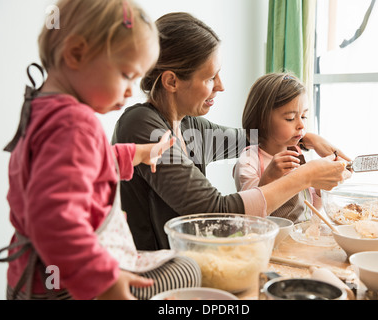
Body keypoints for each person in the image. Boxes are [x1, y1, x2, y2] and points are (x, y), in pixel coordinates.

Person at [0, 0, 201, 300]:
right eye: (126, 75)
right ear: (77, 54)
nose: (131, 90)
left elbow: (87, 164)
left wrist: (141, 153)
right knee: (187, 269)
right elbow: (55, 220)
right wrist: (105, 284)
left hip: (32, 281)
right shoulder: (74, 123)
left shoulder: (42, 108)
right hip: (68, 286)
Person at [112, 12, 351, 251]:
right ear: (171, 81)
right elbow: (214, 211)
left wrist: (309, 139)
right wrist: (305, 177)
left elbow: (261, 136)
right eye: (209, 78)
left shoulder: (190, 128)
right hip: (153, 270)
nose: (221, 86)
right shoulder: (143, 127)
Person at [233, 72, 326, 223]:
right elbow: (250, 215)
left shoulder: (298, 155)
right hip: (270, 240)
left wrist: (321, 189)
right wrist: (269, 177)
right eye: (290, 118)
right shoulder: (250, 160)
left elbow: (311, 209)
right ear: (262, 120)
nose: (301, 125)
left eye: (303, 116)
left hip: (301, 237)